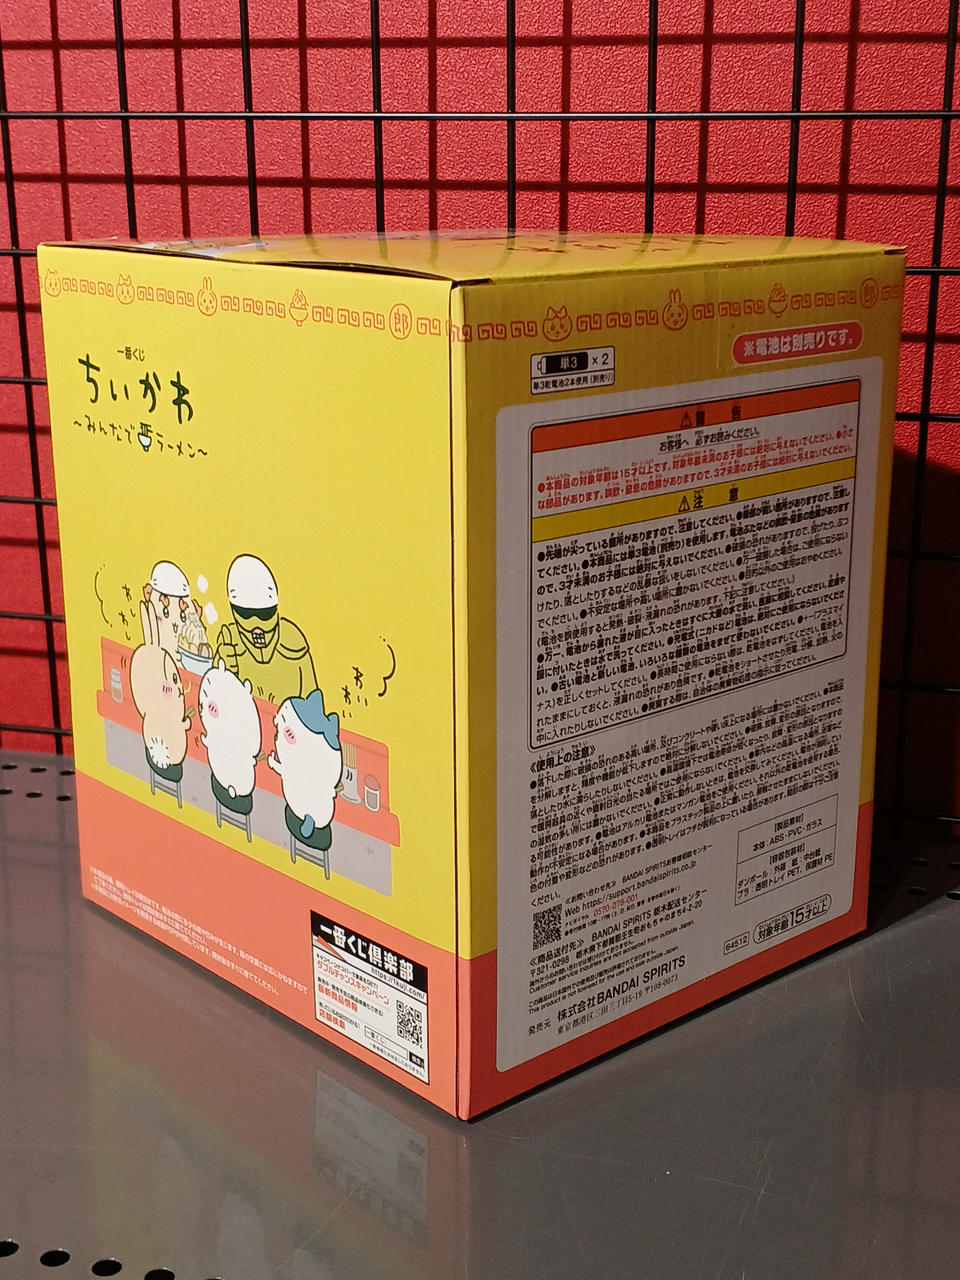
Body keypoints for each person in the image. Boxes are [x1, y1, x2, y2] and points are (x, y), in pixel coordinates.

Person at [212, 554, 317, 705]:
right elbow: (213, 698)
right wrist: (222, 671)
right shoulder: (229, 640)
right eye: (246, 614)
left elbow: (312, 702)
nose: (256, 624)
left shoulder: (293, 643)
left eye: (265, 614)